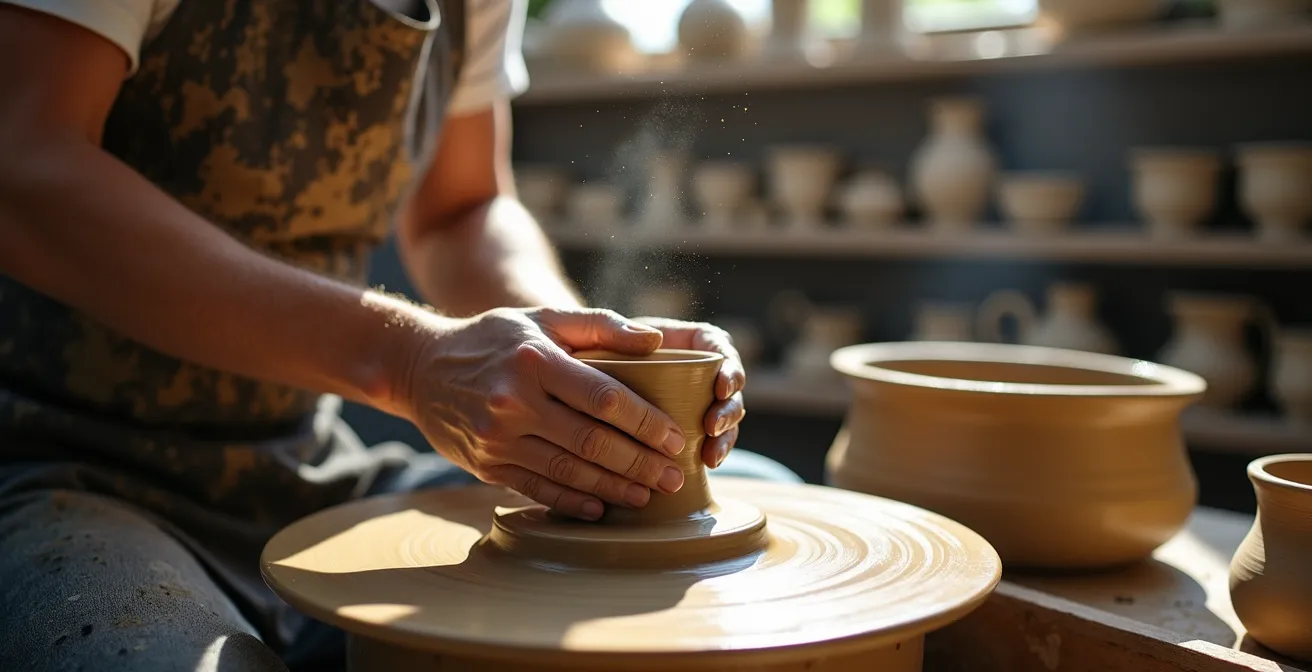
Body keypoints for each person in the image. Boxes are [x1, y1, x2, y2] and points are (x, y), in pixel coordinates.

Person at [0, 1, 802, 669]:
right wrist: (408, 360)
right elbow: (24, 163)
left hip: (299, 467)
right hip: (57, 462)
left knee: (772, 513)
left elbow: (463, 210)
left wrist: (574, 359)